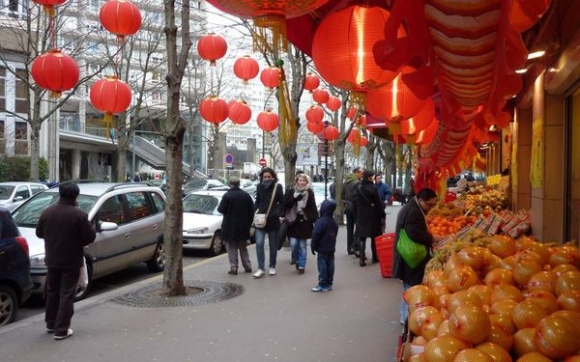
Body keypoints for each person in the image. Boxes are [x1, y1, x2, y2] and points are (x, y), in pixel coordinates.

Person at [35, 182, 96, 340]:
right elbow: (90, 237)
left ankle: (51, 323)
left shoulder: (47, 212)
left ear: (60, 194)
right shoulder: (79, 215)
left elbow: (39, 233)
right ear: (75, 196)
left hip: (52, 258)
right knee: (67, 294)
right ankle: (61, 329)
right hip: (71, 259)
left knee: (52, 291)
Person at [392, 187, 442, 325]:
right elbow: (414, 233)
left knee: (409, 288)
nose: (431, 208)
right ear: (420, 200)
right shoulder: (413, 211)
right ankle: (406, 319)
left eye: (433, 204)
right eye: (429, 204)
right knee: (411, 289)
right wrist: (433, 238)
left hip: (409, 256)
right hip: (410, 257)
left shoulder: (414, 207)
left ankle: (405, 317)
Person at [281, 173, 318, 274]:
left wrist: (316, 220)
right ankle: (297, 260)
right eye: (300, 180)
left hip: (305, 221)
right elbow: (286, 204)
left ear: (307, 182)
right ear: (297, 181)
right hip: (293, 221)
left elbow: (313, 206)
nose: (302, 182)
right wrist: (294, 198)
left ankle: (302, 265)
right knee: (293, 244)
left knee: (302, 245)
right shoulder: (291, 191)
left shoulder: (309, 192)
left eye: (304, 181)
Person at [217, 177, 255, 276]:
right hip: (243, 227)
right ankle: (248, 266)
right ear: (239, 184)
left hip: (229, 226)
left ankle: (234, 267)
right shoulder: (246, 195)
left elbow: (220, 209)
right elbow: (252, 211)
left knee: (231, 248)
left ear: (230, 184)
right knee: (243, 247)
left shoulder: (227, 195)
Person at [253, 167, 284, 278]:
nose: (266, 178)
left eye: (268, 177)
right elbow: (257, 201)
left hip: (273, 221)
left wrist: (277, 213)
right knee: (259, 243)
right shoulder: (259, 186)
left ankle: (272, 266)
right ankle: (261, 268)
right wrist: (255, 211)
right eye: (264, 177)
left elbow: (282, 202)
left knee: (272, 245)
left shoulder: (277, 186)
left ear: (273, 177)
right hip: (260, 220)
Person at [353, 170, 386, 266]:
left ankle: (362, 258)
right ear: (369, 178)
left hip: (361, 215)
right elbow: (378, 203)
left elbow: (355, 202)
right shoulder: (373, 188)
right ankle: (375, 257)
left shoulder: (358, 188)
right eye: (372, 177)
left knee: (362, 237)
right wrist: (382, 214)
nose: (373, 178)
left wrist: (357, 213)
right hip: (373, 215)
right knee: (374, 237)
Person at [310, 199, 338, 292]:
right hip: (331, 247)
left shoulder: (320, 221)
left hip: (322, 248)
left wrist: (313, 247)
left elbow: (315, 235)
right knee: (330, 264)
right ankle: (329, 282)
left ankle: (322, 283)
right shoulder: (333, 222)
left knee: (322, 265)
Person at [343, 167, 364, 256]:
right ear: (356, 173)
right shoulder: (357, 183)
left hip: (348, 206)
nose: (362, 175)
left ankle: (349, 248)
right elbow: (358, 197)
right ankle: (355, 246)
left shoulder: (346, 182)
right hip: (355, 207)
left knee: (349, 228)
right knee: (359, 227)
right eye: (361, 173)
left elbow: (342, 195)